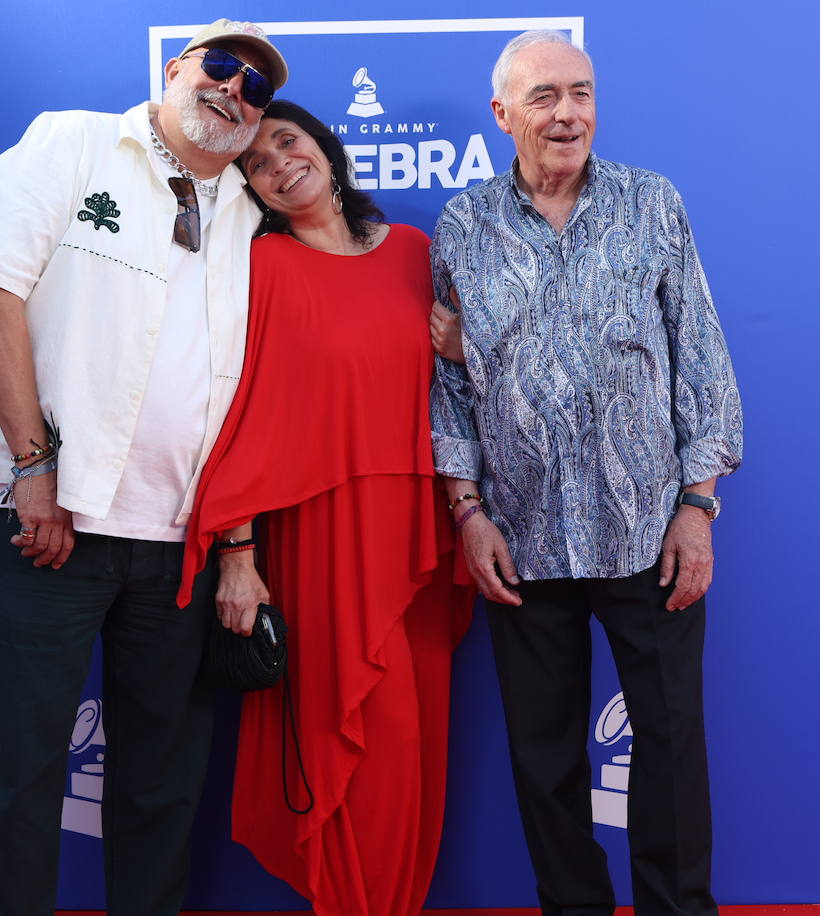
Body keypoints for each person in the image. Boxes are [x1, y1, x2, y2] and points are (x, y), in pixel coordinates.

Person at [0, 20, 288, 916]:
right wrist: (33, 469)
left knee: (162, 784)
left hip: (185, 544)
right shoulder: (72, 142)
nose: (234, 90)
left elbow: (255, 386)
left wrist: (237, 545)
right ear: (177, 68)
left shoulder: (253, 212)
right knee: (17, 773)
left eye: (256, 87)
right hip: (51, 521)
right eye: (222, 66)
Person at [429, 30, 743, 916]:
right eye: (544, 97)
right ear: (503, 114)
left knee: (671, 742)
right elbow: (448, 388)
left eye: (581, 92)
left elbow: (702, 361)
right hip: (521, 537)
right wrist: (468, 513)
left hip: (650, 531)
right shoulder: (462, 227)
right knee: (543, 756)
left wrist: (697, 506)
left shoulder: (652, 203)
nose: (568, 114)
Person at [180, 99, 474, 916]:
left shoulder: (414, 251)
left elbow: (461, 387)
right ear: (252, 190)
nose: (279, 164)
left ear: (324, 146)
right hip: (319, 531)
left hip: (419, 530)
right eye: (257, 164)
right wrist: (238, 555)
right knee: (355, 731)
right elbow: (238, 414)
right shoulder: (262, 267)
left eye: (288, 142)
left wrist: (465, 349)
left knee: (415, 738)